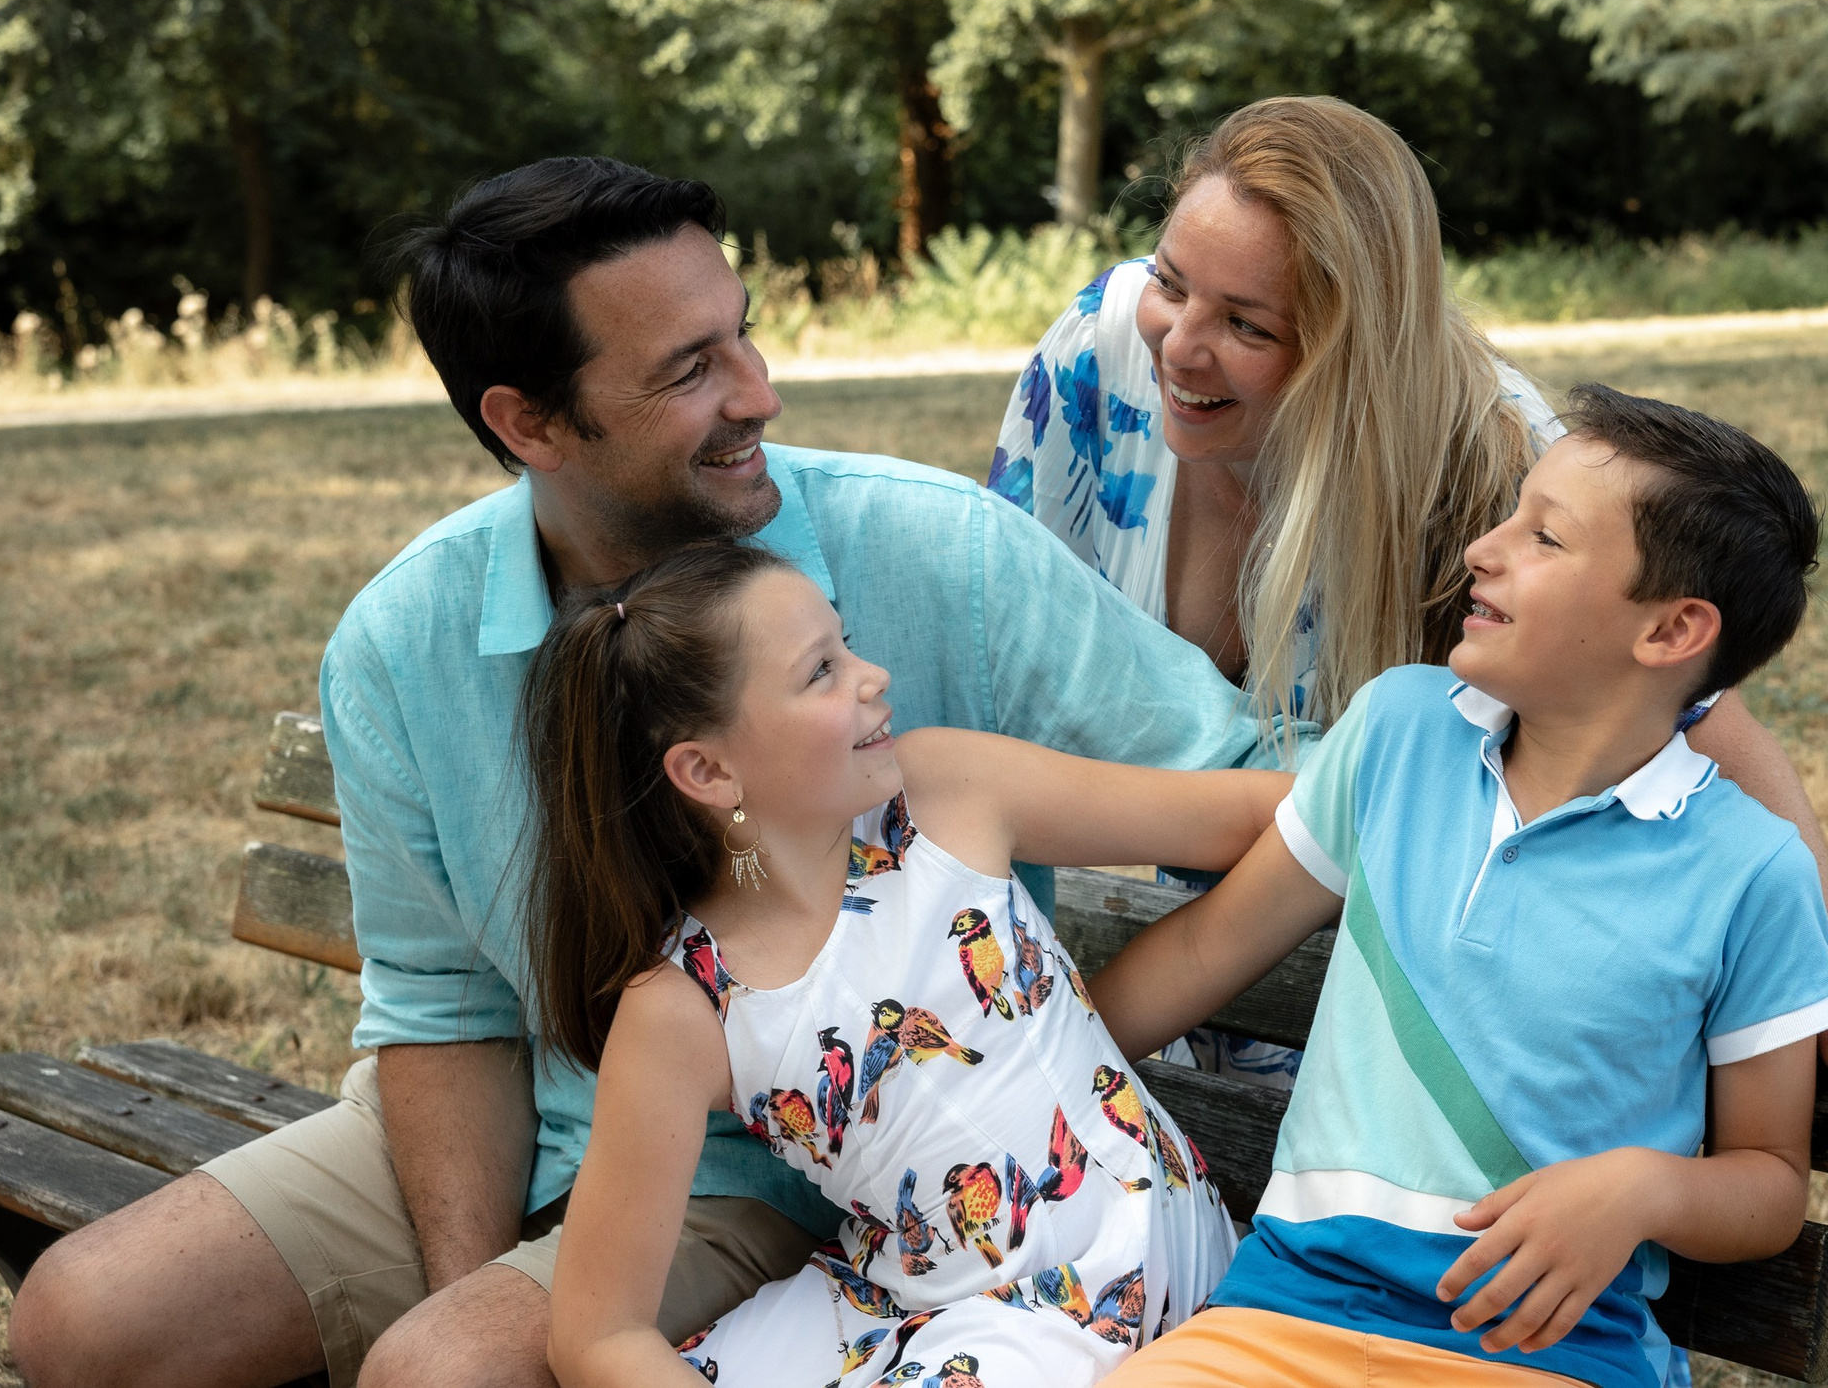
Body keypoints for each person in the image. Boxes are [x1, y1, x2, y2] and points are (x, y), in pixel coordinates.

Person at [5, 159, 1292, 1388]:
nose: (760, 391)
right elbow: (445, 1008)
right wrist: (486, 1282)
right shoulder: (405, 644)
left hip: (785, 1175)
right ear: (529, 422)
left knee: (455, 1366)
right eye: (691, 369)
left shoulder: (934, 551)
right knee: (81, 1321)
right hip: (522, 1133)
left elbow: (1242, 775)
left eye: (742, 333)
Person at [990, 95, 1828, 1127]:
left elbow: (1693, 708)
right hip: (1202, 930)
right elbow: (998, 631)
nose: (1179, 343)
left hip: (1382, 982)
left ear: (1353, 349)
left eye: (1247, 325)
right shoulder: (1096, 355)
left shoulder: (1493, 458)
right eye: (1172, 282)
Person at [1087, 389, 1828, 1388]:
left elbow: (1766, 1185)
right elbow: (1202, 952)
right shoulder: (1399, 732)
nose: (1483, 550)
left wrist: (1637, 1191)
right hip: (1276, 1319)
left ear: (1670, 632)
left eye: (1543, 537)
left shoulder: (1748, 871)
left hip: (1543, 1352)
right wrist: (1011, 1063)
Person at [529, 541, 1272, 1387]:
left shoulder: (943, 794)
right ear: (707, 770)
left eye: (845, 645)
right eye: (821, 671)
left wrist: (1399, 774)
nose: (872, 674)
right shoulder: (682, 1004)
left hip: (1109, 1268)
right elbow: (597, 1335)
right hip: (909, 1296)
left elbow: (1243, 817)